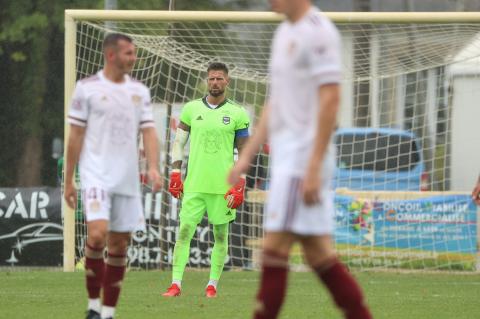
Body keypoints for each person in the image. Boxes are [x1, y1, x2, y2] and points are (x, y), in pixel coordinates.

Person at [228, 1, 373, 318]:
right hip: (289, 161)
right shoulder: (284, 32)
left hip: (302, 161)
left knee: (273, 250)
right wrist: (246, 157)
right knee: (319, 256)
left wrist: (311, 166)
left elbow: (331, 98)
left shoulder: (318, 32)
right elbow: (275, 102)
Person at [64, 33, 162, 319]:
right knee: (96, 235)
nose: (133, 58)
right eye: (128, 53)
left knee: (119, 244)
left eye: (134, 53)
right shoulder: (87, 89)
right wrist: (68, 179)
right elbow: (75, 136)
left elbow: (149, 131)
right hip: (96, 175)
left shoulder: (139, 91)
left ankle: (107, 313)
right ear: (111, 55)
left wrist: (153, 166)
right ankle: (93, 304)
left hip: (127, 179)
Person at [162, 62, 250, 298]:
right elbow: (178, 144)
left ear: (227, 82)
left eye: (219, 79)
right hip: (194, 185)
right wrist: (175, 174)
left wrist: (240, 183)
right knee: (184, 232)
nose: (215, 83)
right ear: (206, 81)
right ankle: (175, 285)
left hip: (224, 187)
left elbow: (244, 151)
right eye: (211, 78)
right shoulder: (191, 109)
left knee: (221, 236)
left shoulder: (238, 113)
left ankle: (212, 285)